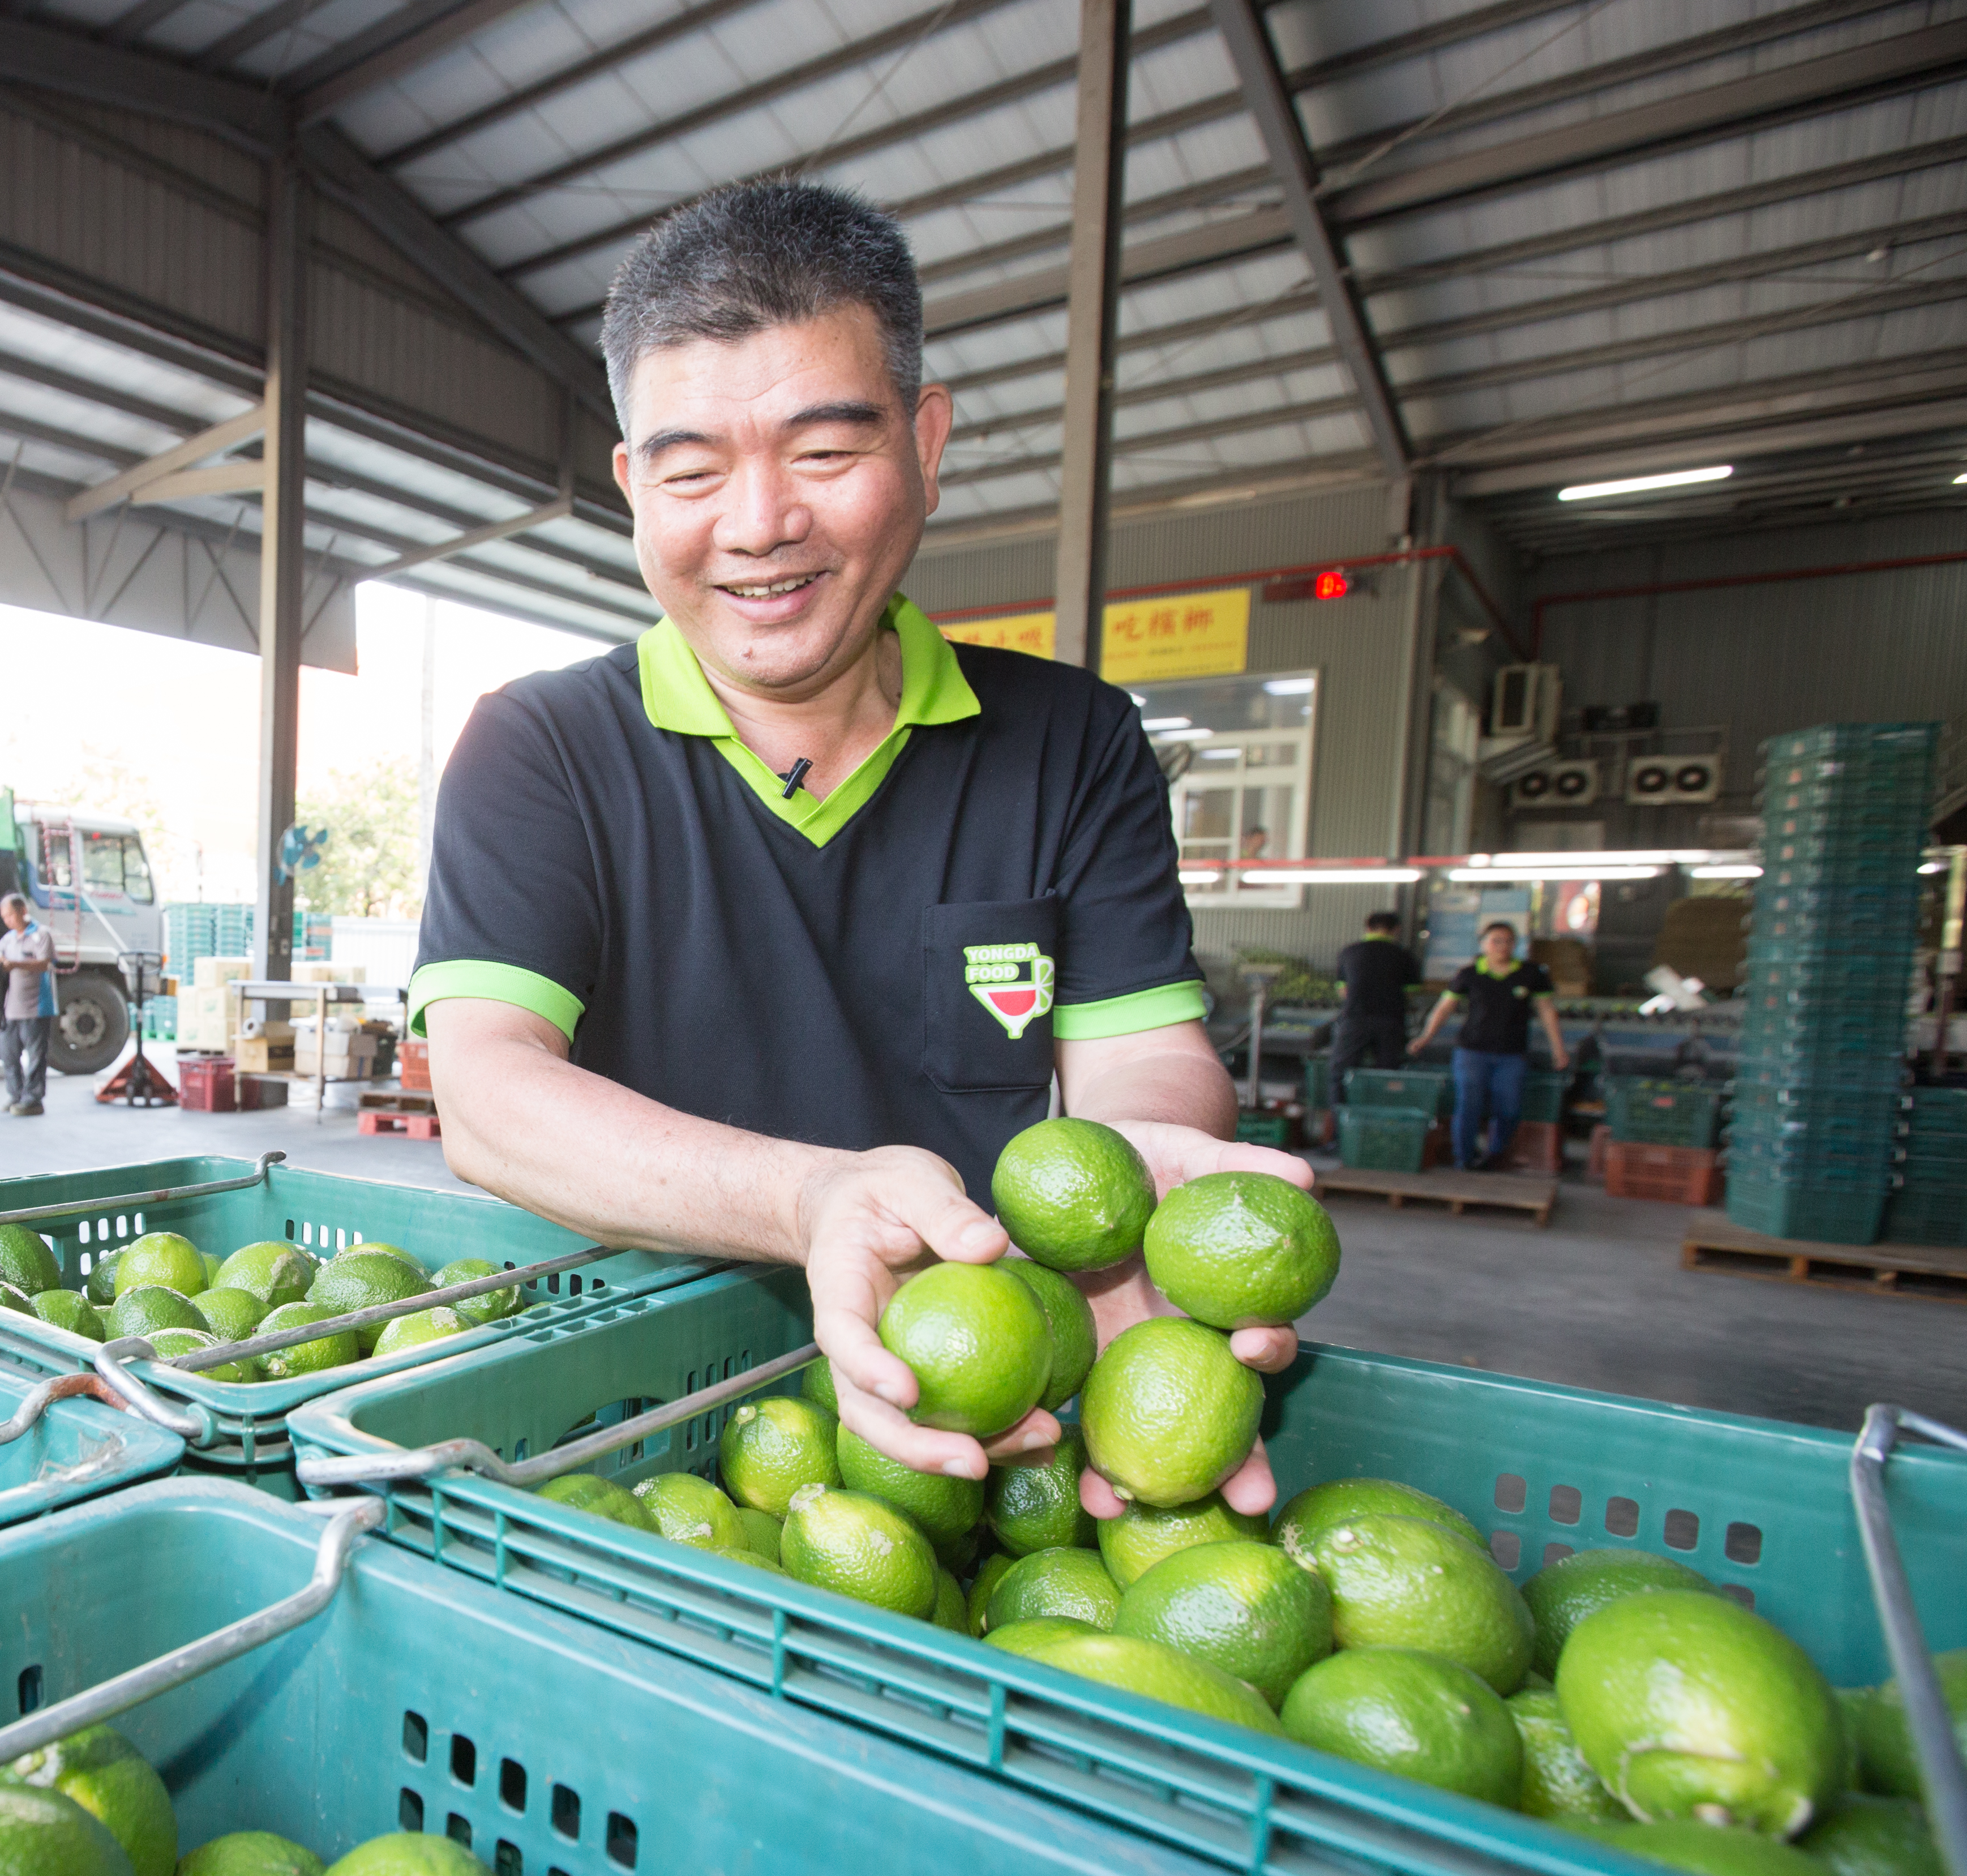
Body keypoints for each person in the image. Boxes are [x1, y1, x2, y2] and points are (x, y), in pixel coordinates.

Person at [408, 181, 1312, 1518]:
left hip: (976, 1399)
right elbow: (484, 1095)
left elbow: (1138, 1057)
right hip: (631, 1417)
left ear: (925, 440)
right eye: (691, 468)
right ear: (630, 484)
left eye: (822, 453)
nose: (757, 521)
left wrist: (1131, 1197)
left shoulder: (1066, 740)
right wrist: (809, 1198)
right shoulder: (540, 745)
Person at [1412, 921, 1565, 1171]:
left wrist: (1558, 1049)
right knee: (1469, 1105)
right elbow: (1443, 1009)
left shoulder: (1532, 974)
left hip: (1512, 1055)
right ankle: (1465, 1158)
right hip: (1472, 1052)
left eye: (1508, 941)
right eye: (1496, 941)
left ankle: (1495, 1155)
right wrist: (1425, 1037)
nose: (1502, 947)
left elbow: (1548, 1012)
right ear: (1483, 944)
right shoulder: (1469, 975)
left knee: (1509, 1108)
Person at [1327, 910, 1422, 1108]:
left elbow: (1343, 989)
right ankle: (1382, 1124)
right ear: (1396, 930)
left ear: (1368, 927)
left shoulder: (1349, 952)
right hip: (1391, 1022)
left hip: (1354, 1020)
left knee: (1340, 1074)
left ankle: (1340, 1130)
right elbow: (1411, 992)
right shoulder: (1404, 955)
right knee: (1387, 1077)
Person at [0, 890, 57, 1117]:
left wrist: (16, 965)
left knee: (36, 1056)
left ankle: (33, 1099)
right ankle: (16, 1095)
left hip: (36, 1007)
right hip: (11, 1010)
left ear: (23, 911)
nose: (7, 921)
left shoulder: (41, 935)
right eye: (4, 917)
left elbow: (43, 964)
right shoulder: (9, 938)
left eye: (10, 915)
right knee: (8, 1055)